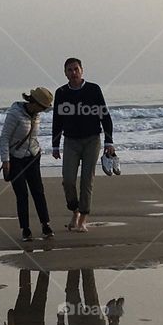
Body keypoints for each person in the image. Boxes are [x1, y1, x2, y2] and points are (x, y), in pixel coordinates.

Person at [51, 58, 116, 232]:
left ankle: (83, 219)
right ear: (65, 73)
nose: (73, 73)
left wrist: (109, 141)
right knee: (68, 180)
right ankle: (75, 211)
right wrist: (55, 145)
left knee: (87, 180)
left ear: (82, 70)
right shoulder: (61, 92)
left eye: (76, 69)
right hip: (70, 141)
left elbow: (105, 115)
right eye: (69, 70)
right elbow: (57, 119)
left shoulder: (93, 89)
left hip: (92, 140)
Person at [0, 86, 54, 241]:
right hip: (15, 158)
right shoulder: (15, 113)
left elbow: (33, 136)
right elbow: (4, 138)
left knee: (38, 191)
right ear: (34, 102)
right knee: (22, 194)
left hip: (33, 156)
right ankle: (25, 229)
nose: (43, 110)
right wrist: (5, 161)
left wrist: (38, 150)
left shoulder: (36, 115)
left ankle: (45, 225)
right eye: (43, 107)